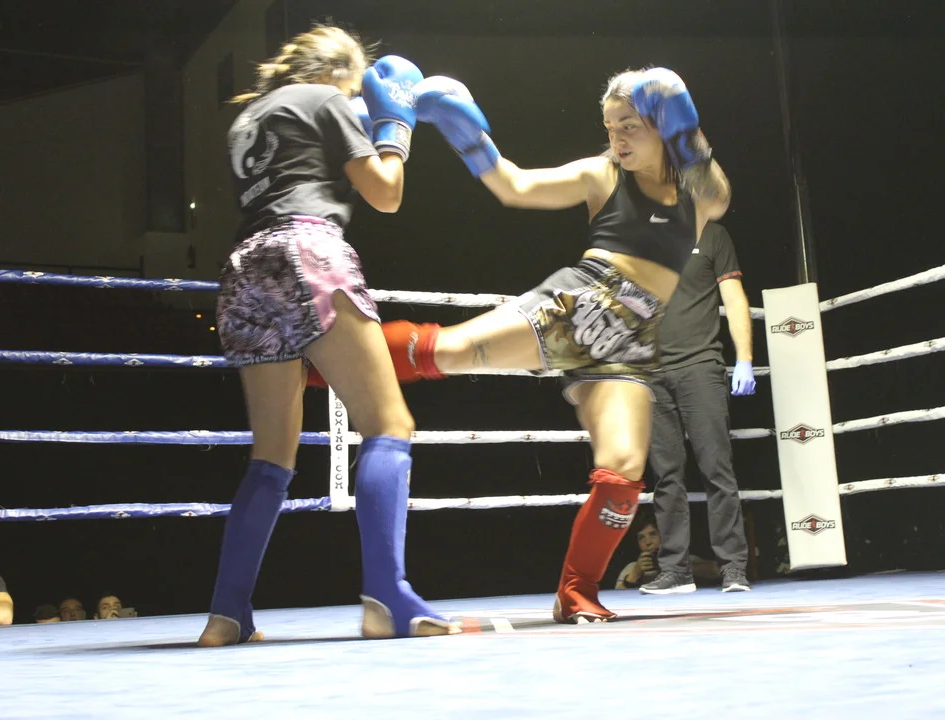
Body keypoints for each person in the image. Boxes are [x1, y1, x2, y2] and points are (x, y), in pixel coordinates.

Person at [309, 67, 731, 622]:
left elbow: (716, 195)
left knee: (624, 471)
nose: (618, 138)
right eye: (610, 127)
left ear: (662, 124)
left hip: (630, 339)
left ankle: (576, 593)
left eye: (630, 125)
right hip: (580, 302)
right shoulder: (601, 173)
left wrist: (686, 130)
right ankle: (310, 368)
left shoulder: (698, 187)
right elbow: (515, 186)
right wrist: (466, 135)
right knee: (448, 351)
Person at [197, 25, 458, 647]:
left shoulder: (248, 119)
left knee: (271, 456)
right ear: (336, 74)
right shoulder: (324, 98)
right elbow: (386, 194)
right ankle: (387, 599)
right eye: (356, 87)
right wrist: (395, 126)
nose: (359, 98)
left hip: (244, 269)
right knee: (388, 424)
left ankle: (226, 614)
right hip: (307, 250)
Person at [640, 221, 755, 595]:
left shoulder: (712, 234)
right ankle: (675, 570)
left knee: (716, 467)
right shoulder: (637, 233)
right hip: (650, 371)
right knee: (665, 475)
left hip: (700, 364)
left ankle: (733, 567)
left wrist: (744, 359)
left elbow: (734, 298)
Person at [615, 513, 719, 589]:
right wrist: (634, 575)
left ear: (663, 536)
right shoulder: (632, 568)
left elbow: (717, 571)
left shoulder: (683, 560)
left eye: (653, 534)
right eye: (641, 537)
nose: (648, 542)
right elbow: (617, 597)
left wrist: (675, 566)